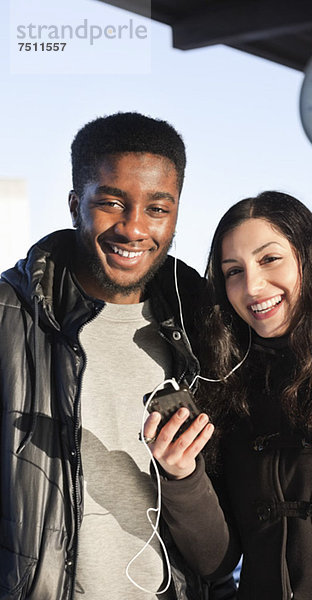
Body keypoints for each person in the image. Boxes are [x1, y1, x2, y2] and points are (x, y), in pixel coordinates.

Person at [0, 112, 234, 600]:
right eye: (111, 203)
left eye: (156, 209)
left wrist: (183, 477)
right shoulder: (8, 317)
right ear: (74, 205)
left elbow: (220, 556)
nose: (133, 228)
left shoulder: (208, 330)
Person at [144, 191, 312, 599]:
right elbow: (217, 560)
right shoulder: (224, 385)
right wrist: (183, 478)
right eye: (233, 271)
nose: (252, 286)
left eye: (269, 259)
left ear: (311, 257)